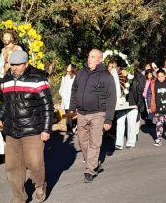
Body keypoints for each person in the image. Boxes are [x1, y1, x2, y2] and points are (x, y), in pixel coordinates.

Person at [0, 50, 54, 203]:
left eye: (17, 65)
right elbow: (4, 102)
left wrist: (46, 130)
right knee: (12, 167)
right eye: (11, 65)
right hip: (12, 130)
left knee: (35, 164)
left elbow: (47, 106)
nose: (13, 68)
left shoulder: (38, 79)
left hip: (32, 129)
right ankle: (18, 198)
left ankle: (40, 187)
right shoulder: (6, 79)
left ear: (26, 64)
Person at [69, 49, 116, 183]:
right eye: (89, 56)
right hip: (81, 113)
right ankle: (94, 163)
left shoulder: (106, 76)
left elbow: (111, 98)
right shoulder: (80, 73)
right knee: (82, 141)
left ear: (100, 60)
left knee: (94, 142)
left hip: (98, 114)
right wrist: (72, 109)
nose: (90, 59)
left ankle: (90, 169)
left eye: (93, 57)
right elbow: (74, 91)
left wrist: (108, 119)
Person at [115, 63, 145, 150]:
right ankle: (119, 143)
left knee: (131, 124)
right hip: (121, 104)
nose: (123, 71)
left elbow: (139, 91)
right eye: (122, 70)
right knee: (120, 123)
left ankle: (131, 142)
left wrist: (138, 104)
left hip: (132, 104)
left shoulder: (134, 78)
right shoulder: (118, 79)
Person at [147, 69, 166, 146]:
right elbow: (149, 94)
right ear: (156, 76)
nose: (160, 78)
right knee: (159, 125)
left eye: (162, 76)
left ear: (165, 75)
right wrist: (149, 106)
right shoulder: (153, 83)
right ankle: (159, 139)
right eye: (159, 76)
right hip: (157, 107)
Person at [59, 64, 77, 132]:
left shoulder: (75, 77)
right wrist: (61, 93)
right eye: (68, 65)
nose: (68, 66)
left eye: (69, 66)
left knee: (70, 116)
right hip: (65, 100)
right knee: (68, 116)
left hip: (71, 100)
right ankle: (71, 128)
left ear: (72, 68)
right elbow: (61, 87)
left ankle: (71, 129)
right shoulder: (64, 77)